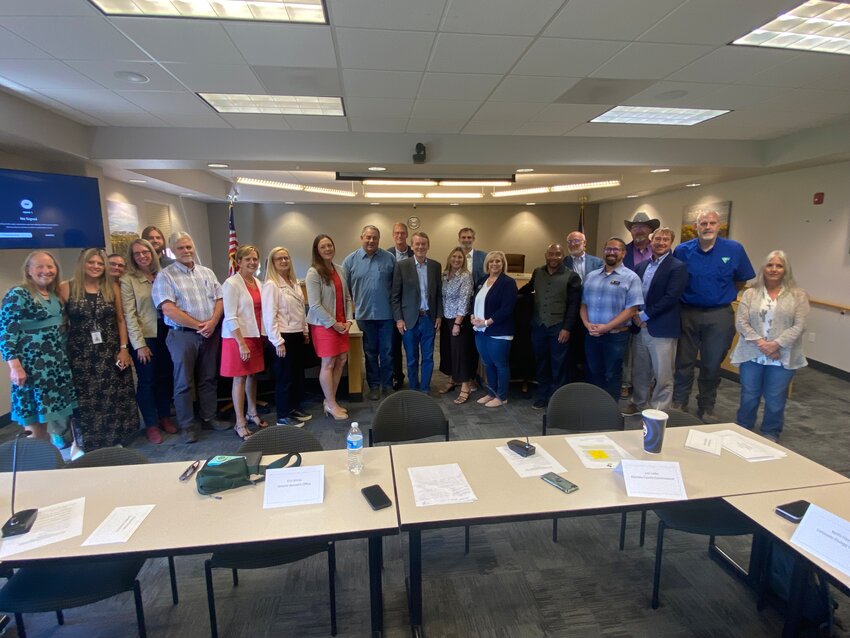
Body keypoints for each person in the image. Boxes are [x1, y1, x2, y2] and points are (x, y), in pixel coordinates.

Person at [672, 211, 755, 420]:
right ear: (696, 227)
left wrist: (719, 294)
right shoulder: (682, 251)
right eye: (703, 223)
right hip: (688, 312)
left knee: (711, 363)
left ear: (719, 226)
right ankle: (679, 402)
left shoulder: (734, 249)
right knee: (684, 361)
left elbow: (741, 281)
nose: (707, 227)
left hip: (719, 314)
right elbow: (675, 280)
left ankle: (706, 406)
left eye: (712, 223)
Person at [59, 248, 137, 456]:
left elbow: (120, 320)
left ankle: (113, 441)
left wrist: (123, 349)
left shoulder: (111, 288)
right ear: (82, 264)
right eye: (91, 262)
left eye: (99, 264)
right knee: (85, 401)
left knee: (112, 397)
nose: (95, 267)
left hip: (109, 351)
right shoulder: (66, 288)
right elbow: (59, 323)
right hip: (80, 354)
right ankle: (85, 444)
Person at [152, 231, 225, 444]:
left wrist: (211, 323)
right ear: (173, 251)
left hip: (210, 333)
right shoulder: (165, 276)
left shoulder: (207, 273)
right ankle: (188, 426)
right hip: (182, 336)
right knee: (183, 382)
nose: (186, 251)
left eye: (189, 247)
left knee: (208, 378)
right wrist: (198, 325)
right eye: (181, 248)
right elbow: (168, 309)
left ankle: (209, 416)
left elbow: (220, 299)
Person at [731, 251, 808, 442]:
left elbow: (800, 326)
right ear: (763, 268)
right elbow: (741, 323)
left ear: (785, 270)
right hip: (752, 354)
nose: (774, 269)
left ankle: (771, 432)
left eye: (779, 266)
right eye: (770, 265)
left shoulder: (798, 295)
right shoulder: (750, 293)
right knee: (749, 395)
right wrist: (762, 344)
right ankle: (744, 427)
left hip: (782, 355)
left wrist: (776, 345)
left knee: (775, 398)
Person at [0, 251, 77, 443]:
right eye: (39, 266)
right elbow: (7, 332)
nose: (46, 271)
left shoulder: (52, 295)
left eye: (50, 266)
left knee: (48, 419)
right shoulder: (18, 294)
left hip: (55, 368)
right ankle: (39, 465)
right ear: (28, 270)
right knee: (35, 424)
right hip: (32, 370)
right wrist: (15, 367)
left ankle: (50, 460)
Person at [624, 228, 688, 414]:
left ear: (671, 243)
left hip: (661, 328)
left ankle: (659, 409)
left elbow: (671, 297)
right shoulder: (642, 266)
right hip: (639, 326)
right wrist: (635, 315)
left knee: (663, 374)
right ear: (651, 241)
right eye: (658, 239)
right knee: (640, 369)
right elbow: (633, 293)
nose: (661, 242)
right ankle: (639, 402)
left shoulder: (678, 266)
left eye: (666, 239)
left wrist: (644, 316)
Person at [121, 238, 176, 444]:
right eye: (137, 253)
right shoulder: (129, 280)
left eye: (146, 252)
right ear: (132, 257)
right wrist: (139, 345)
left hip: (167, 331)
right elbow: (129, 314)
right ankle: (151, 424)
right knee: (147, 381)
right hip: (145, 336)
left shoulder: (162, 274)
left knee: (165, 377)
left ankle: (164, 417)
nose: (142, 256)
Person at [580, 238, 643, 401]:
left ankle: (608, 411)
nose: (611, 252)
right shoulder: (591, 276)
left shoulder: (631, 277)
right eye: (608, 249)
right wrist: (587, 324)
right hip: (592, 334)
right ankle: (593, 406)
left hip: (616, 336)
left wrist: (606, 327)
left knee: (612, 374)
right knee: (593, 372)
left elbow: (632, 310)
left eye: (616, 249)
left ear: (623, 253)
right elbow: (583, 304)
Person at [521, 243, 582, 410]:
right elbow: (528, 289)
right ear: (545, 255)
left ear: (563, 256)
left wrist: (567, 328)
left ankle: (557, 400)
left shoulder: (572, 276)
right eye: (551, 254)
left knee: (559, 364)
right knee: (541, 362)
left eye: (558, 254)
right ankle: (542, 396)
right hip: (539, 325)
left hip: (559, 327)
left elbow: (573, 306)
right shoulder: (538, 272)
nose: (554, 257)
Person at [343, 225, 396, 400]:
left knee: (387, 353)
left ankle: (387, 385)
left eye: (375, 238)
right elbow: (345, 290)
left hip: (386, 315)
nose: (371, 241)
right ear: (361, 238)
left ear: (379, 240)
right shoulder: (350, 261)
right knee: (370, 353)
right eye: (368, 237)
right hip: (363, 316)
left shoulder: (389, 259)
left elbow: (396, 288)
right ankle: (374, 386)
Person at [221, 245, 267, 441]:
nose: (252, 262)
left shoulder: (257, 282)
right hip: (237, 337)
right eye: (247, 259)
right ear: (238, 262)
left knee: (252, 376)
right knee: (239, 379)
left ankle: (252, 412)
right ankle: (239, 422)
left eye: (255, 259)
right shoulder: (231, 284)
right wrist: (241, 343)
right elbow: (230, 316)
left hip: (255, 335)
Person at [262, 246, 311, 427]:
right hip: (282, 338)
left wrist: (305, 331)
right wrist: (277, 342)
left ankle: (294, 408)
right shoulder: (271, 285)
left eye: (286, 258)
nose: (284, 261)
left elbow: (301, 310)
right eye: (279, 259)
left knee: (296, 375)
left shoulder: (294, 282)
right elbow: (269, 316)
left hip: (297, 335)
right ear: (272, 263)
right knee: (284, 377)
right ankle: (283, 415)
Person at [306, 234, 353, 420]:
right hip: (325, 326)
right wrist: (334, 324)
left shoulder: (340, 269)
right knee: (328, 363)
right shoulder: (313, 273)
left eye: (329, 245)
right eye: (323, 247)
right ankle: (331, 404)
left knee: (341, 360)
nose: (327, 249)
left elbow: (348, 298)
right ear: (317, 251)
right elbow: (315, 305)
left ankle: (330, 400)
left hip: (343, 325)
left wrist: (349, 321)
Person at [391, 231, 442, 394]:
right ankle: (413, 388)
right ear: (412, 246)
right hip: (409, 320)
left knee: (428, 357)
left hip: (429, 318)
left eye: (423, 244)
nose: (420, 247)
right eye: (417, 244)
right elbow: (395, 296)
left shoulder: (435, 266)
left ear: (428, 246)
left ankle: (425, 389)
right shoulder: (402, 266)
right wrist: (399, 319)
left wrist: (439, 315)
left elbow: (439, 294)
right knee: (412, 358)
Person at [471, 251, 517, 407]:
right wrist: (473, 316)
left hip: (499, 331)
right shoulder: (483, 280)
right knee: (487, 363)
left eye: (498, 261)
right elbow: (475, 300)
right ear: (487, 264)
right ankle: (491, 393)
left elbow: (507, 308)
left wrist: (486, 322)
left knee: (500, 364)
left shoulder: (508, 282)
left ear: (503, 263)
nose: (494, 264)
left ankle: (502, 396)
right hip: (480, 330)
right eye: (491, 261)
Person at [563, 230, 603, 382]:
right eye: (570, 242)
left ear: (584, 243)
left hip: (591, 311)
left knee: (589, 350)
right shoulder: (563, 262)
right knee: (570, 350)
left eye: (577, 241)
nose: (573, 244)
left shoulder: (597, 262)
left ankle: (588, 382)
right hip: (569, 312)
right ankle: (570, 382)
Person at [439, 247, 475, 404]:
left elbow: (464, 300)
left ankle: (465, 386)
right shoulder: (445, 275)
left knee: (460, 353)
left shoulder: (466, 276)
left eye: (460, 257)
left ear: (464, 260)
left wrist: (457, 324)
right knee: (448, 351)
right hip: (446, 318)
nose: (456, 259)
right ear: (449, 258)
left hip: (458, 320)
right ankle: (452, 380)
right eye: (454, 256)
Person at [387, 222, 414, 390]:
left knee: (411, 346)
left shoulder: (415, 252)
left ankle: (414, 377)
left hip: (411, 307)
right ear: (393, 235)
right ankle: (397, 376)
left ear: (406, 235)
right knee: (394, 346)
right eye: (396, 233)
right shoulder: (387, 254)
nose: (399, 236)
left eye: (402, 233)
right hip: (394, 307)